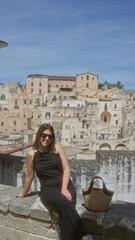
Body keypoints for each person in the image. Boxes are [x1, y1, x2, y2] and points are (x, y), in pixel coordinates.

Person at [16, 123, 87, 240]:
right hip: (48, 188)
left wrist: (64, 189)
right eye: (44, 135)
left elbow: (66, 168)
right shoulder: (31, 154)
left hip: (65, 184)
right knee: (64, 202)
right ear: (39, 135)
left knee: (66, 207)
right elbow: (29, 176)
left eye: (50, 136)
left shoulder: (57, 148)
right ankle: (84, 235)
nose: (47, 138)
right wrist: (24, 193)